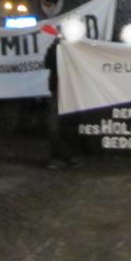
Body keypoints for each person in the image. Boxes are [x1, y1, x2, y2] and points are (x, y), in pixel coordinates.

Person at [43, 37, 78, 169]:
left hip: (71, 90)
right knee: (55, 125)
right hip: (58, 90)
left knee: (69, 124)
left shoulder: (78, 47)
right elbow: (47, 63)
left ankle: (67, 156)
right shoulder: (56, 47)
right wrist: (56, 48)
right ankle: (55, 157)